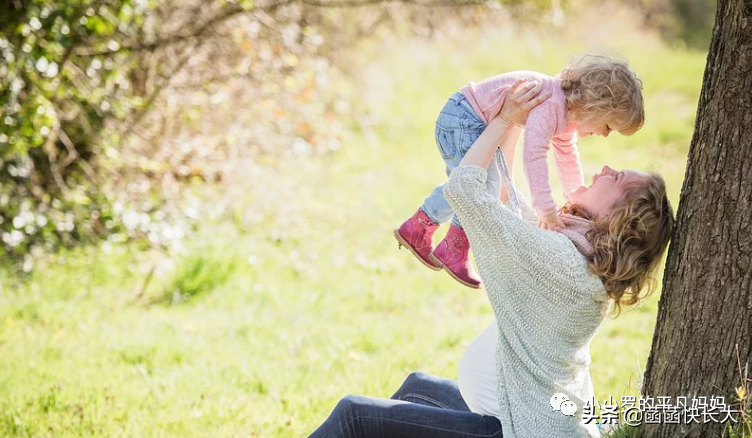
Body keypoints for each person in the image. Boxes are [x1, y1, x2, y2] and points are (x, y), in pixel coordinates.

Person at [308, 80, 674, 438]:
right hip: (510, 410)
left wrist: (500, 122)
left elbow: (465, 191)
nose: (605, 169)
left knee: (354, 416)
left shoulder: (562, 263)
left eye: (617, 178)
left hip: (519, 430)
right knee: (417, 387)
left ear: (618, 219)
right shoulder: (578, 251)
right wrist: (516, 122)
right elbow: (507, 205)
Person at [394, 55, 645, 289]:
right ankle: (447, 243)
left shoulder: (566, 116)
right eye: (608, 126)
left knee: (477, 184)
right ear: (594, 106)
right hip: (463, 119)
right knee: (477, 184)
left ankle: (426, 230)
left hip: (470, 120)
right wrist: (545, 208)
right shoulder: (552, 104)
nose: (604, 134)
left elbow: (568, 159)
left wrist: (573, 199)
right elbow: (534, 155)